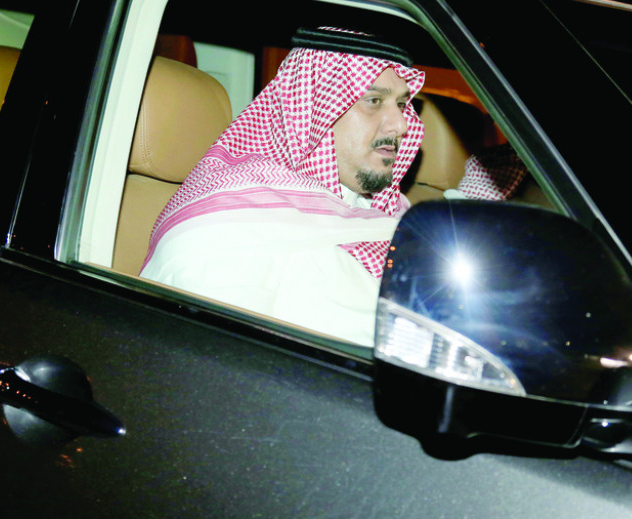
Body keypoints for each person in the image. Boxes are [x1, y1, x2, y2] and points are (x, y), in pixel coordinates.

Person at [140, 27, 426, 346]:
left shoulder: (382, 210)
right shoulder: (232, 228)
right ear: (314, 107)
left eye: (401, 105)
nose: (401, 124)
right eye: (374, 101)